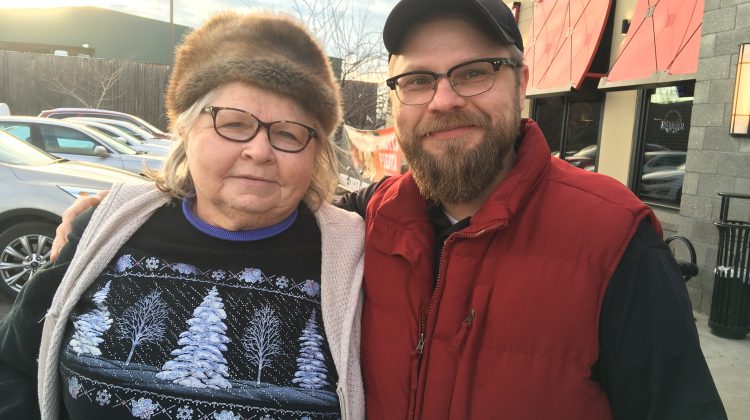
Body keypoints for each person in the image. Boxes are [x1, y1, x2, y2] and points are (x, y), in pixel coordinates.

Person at [48, 1, 727, 419]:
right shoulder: (368, 222)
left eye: (474, 72)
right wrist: (117, 210)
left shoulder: (612, 238)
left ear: (521, 82)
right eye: (418, 80)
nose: (444, 100)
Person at [0, 11, 364, 420]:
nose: (260, 151)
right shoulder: (106, 230)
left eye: (288, 133)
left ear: (316, 152)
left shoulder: (352, 260)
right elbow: (13, 366)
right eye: (234, 123)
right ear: (185, 131)